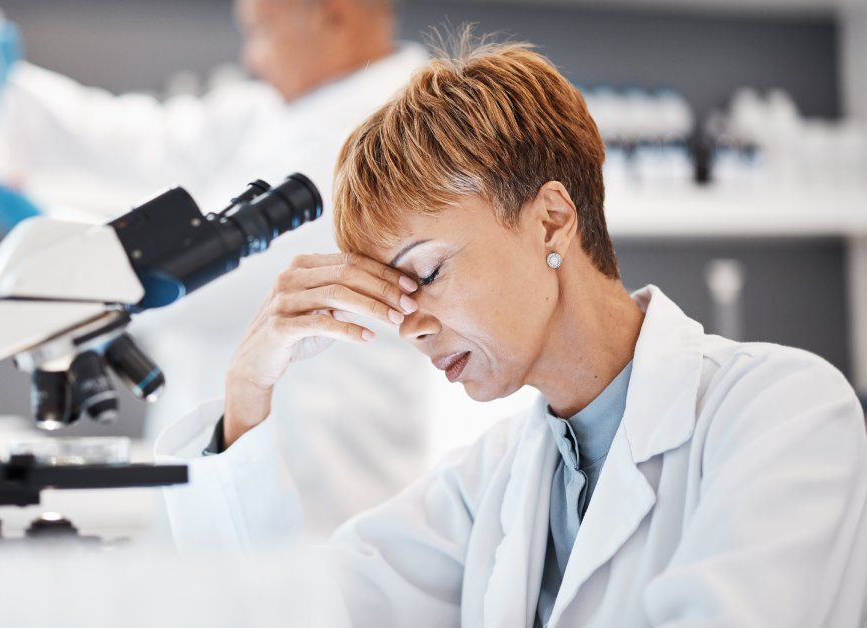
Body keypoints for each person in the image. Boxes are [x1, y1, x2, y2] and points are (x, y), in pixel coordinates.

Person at [157, 34, 867, 627]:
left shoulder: (783, 411)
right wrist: (248, 388)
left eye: (426, 274)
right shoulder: (493, 480)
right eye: (395, 294)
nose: (412, 325)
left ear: (552, 220)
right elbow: (296, 613)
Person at [0, 0, 449, 534]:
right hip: (237, 480)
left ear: (332, 18)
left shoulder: (378, 136)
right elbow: (149, 139)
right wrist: (8, 86)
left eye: (262, 31)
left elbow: (195, 289)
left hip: (318, 485)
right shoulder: (281, 109)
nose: (251, 59)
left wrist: (46, 231)